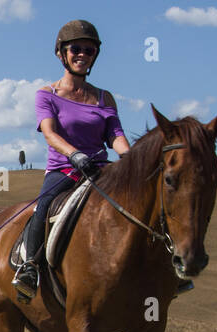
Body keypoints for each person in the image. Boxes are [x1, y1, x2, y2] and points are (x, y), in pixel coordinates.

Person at [11, 20, 130, 302]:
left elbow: (116, 135)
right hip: (65, 169)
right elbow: (50, 134)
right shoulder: (47, 94)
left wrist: (131, 159)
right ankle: (29, 268)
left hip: (101, 170)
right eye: (76, 48)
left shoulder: (104, 97)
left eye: (89, 50)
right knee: (43, 207)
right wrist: (74, 154)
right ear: (61, 53)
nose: (82, 55)